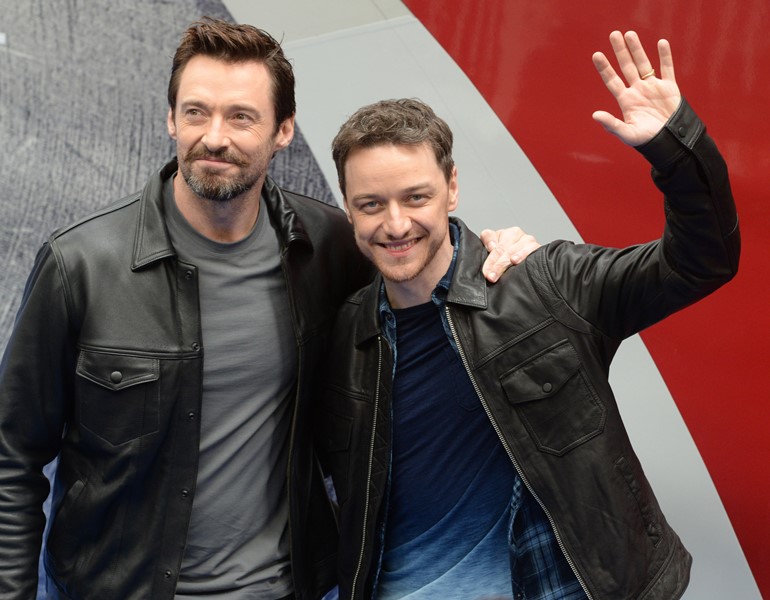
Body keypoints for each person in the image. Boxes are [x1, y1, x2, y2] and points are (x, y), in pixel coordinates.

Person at [0, 17, 538, 600]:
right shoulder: (81, 265)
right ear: (171, 119)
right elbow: (11, 459)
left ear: (283, 130)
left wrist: (497, 252)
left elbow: (423, 267)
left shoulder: (328, 248)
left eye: (241, 117)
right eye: (196, 112)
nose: (214, 137)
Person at [315, 31, 740, 600]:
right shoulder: (344, 335)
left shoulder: (544, 283)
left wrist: (675, 148)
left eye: (416, 197)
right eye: (371, 204)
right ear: (348, 209)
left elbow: (702, 261)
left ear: (451, 188)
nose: (395, 225)